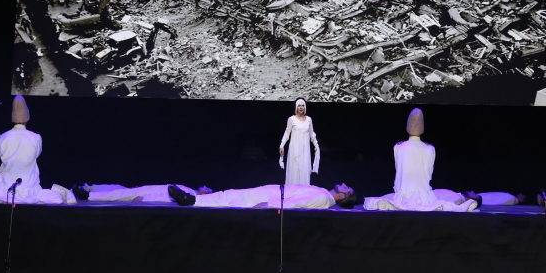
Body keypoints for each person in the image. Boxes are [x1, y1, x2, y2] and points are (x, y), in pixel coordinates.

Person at [363, 108, 476, 212]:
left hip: (404, 195)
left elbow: (399, 171)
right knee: (434, 205)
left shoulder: (399, 146)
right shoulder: (429, 148)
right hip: (423, 196)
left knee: (388, 203)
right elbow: (429, 173)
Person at [168, 183, 356, 210]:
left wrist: (271, 205)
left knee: (233, 201)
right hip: (273, 191)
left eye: (346, 188)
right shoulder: (324, 193)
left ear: (342, 195)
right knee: (231, 195)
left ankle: (190, 201)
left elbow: (297, 203)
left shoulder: (324, 199)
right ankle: (192, 199)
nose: (344, 184)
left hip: (272, 198)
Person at [279, 98, 320, 185]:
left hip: (305, 150)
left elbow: (312, 135)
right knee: (294, 170)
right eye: (299, 106)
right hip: (294, 149)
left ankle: (303, 191)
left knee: (304, 169)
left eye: (303, 105)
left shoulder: (309, 119)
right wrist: (281, 146)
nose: (301, 107)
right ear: (296, 107)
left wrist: (316, 146)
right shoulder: (291, 119)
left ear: (305, 107)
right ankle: (292, 191)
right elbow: (287, 133)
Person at [72, 183, 210, 203]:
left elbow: (168, 197)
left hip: (148, 193)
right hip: (149, 189)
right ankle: (89, 191)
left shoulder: (190, 194)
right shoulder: (190, 191)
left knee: (119, 194)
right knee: (119, 191)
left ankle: (88, 195)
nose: (205, 187)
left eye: (207, 190)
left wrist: (145, 198)